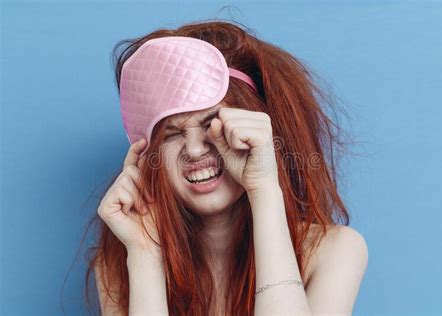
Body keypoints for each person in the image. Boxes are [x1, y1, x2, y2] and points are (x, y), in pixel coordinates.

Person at [85, 20, 368, 316]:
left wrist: (265, 189)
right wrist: (145, 256)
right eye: (171, 134)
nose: (194, 150)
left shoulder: (334, 250)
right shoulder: (120, 261)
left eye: (212, 125)